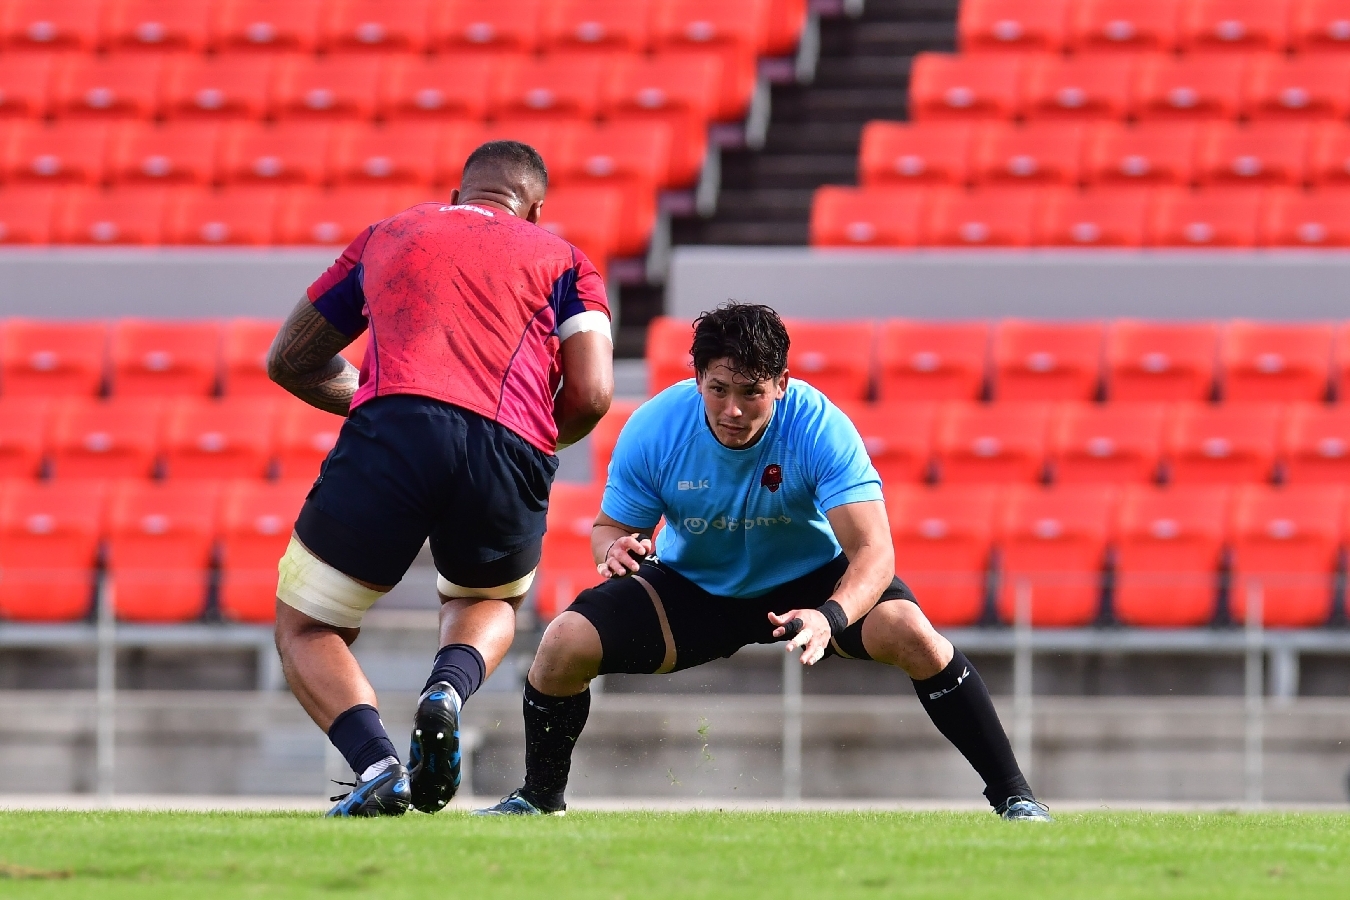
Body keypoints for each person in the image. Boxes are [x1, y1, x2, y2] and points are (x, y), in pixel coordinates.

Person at [478, 303, 1049, 821]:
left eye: (751, 392)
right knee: (561, 644)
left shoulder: (818, 428)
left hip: (811, 580)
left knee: (912, 633)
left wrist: (830, 616)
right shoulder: (654, 427)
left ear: (782, 383)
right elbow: (609, 528)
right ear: (698, 378)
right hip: (693, 587)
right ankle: (539, 798)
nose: (732, 410)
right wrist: (613, 548)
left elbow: (875, 551)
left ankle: (1015, 796)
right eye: (718, 389)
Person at [266, 140, 614, 817]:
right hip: (508, 446)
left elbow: (291, 360)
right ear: (535, 210)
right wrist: (541, 435)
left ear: (457, 198)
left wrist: (382, 397)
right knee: (485, 600)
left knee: (307, 628)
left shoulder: (390, 233)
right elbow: (594, 393)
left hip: (392, 432)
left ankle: (377, 767)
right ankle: (446, 692)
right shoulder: (568, 261)